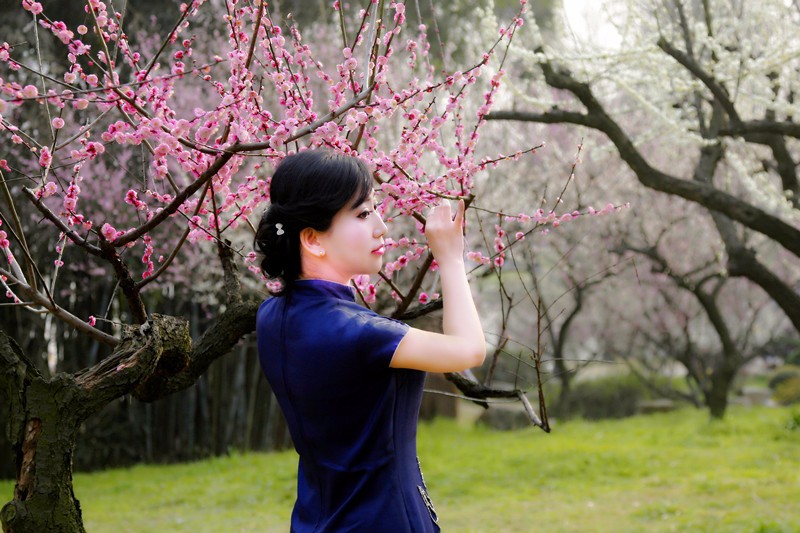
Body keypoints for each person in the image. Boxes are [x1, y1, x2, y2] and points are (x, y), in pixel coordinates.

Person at [254, 149, 485, 532]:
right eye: (362, 214)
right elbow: (470, 349)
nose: (382, 227)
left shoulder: (271, 316)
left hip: (315, 521)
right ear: (312, 239)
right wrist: (451, 258)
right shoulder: (358, 333)